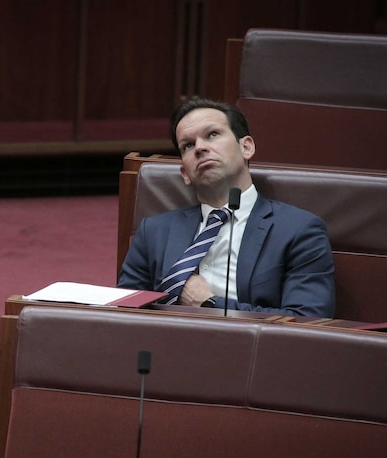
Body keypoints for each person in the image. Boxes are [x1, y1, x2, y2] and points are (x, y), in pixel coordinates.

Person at [118, 97, 335, 317]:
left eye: (212, 134)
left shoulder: (298, 230)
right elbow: (124, 311)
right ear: (185, 173)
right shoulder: (153, 232)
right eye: (188, 145)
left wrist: (208, 303)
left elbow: (307, 320)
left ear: (246, 147)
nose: (200, 148)